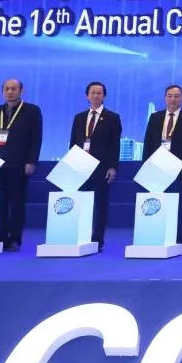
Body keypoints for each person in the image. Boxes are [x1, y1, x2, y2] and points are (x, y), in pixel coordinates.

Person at [0, 79, 43, 252]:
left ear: (21, 91)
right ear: (2, 91)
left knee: (16, 203)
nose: (10, 92)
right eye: (7, 89)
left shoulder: (32, 110)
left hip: (19, 163)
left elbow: (36, 138)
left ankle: (15, 238)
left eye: (14, 89)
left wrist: (31, 161)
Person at [142, 84, 182, 244]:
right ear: (164, 98)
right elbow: (148, 143)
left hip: (178, 168)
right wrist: (146, 166)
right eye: (169, 96)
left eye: (176, 96)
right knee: (157, 201)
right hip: (157, 167)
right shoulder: (155, 117)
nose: (172, 99)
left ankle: (178, 239)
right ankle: (156, 235)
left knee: (178, 204)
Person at [69, 81, 121, 249]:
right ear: (87, 96)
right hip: (80, 167)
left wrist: (112, 167)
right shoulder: (79, 117)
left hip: (101, 168)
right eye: (92, 93)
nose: (96, 96)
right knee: (81, 202)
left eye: (99, 93)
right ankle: (81, 236)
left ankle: (97, 239)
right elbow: (73, 143)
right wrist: (71, 165)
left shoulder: (112, 117)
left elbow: (115, 145)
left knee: (99, 205)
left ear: (104, 96)